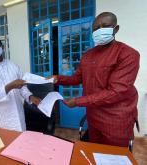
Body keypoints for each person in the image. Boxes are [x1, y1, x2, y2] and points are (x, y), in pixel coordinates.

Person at [51, 12, 140, 147]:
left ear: (115, 29)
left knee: (114, 158)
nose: (99, 31)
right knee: (95, 152)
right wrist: (57, 79)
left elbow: (116, 92)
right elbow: (77, 78)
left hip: (116, 119)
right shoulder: (88, 55)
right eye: (96, 28)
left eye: (104, 26)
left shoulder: (128, 54)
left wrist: (78, 101)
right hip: (93, 117)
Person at [0, 31, 40, 132]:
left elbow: (22, 86)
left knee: (18, 145)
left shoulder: (13, 66)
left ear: (2, 46)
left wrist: (30, 96)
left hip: (16, 118)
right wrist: (9, 86)